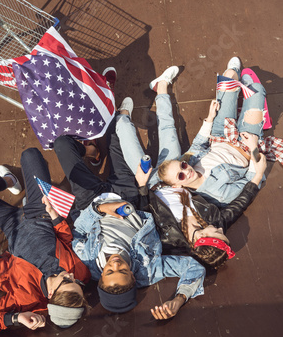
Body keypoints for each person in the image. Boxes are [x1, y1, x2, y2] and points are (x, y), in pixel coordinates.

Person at [115, 65, 266, 281]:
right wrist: (257, 175)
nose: (219, 228)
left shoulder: (171, 241)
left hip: (151, 183)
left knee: (127, 137)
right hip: (176, 175)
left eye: (217, 233)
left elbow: (142, 216)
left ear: (202, 239)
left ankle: (121, 117)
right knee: (168, 128)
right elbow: (240, 203)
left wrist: (141, 185)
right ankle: (161, 87)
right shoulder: (215, 219)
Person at [53, 121, 206, 320]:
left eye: (109, 271)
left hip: (92, 201)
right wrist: (178, 299)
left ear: (100, 280)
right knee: (114, 126)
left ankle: (91, 153)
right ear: (133, 277)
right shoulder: (149, 270)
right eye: (123, 270)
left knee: (62, 144)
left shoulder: (88, 262)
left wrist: (99, 209)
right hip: (127, 195)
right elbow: (192, 267)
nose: (115, 264)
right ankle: (98, 152)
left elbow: (79, 232)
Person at [0, 148, 91, 334]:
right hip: (41, 212)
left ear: (52, 294)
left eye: (67, 280)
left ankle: (8, 181)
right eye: (77, 283)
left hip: (10, 225)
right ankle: (13, 181)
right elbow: (66, 240)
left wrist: (14, 318)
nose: (71, 275)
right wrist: (55, 216)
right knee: (30, 155)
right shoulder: (81, 273)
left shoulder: (25, 299)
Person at [117, 57, 276, 207]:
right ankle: (247, 97)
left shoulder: (185, 165)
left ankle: (126, 113)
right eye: (181, 174)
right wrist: (254, 147)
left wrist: (209, 118)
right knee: (257, 89)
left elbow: (198, 146)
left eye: (183, 165)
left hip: (220, 135)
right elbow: (252, 180)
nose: (187, 170)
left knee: (229, 76)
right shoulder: (218, 194)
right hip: (247, 144)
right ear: (177, 186)